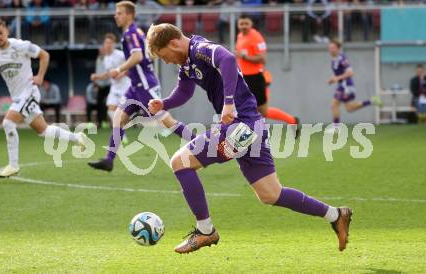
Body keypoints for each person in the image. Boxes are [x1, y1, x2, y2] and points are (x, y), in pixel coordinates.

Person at [146, 23, 353, 254]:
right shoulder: (187, 62)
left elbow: (228, 59)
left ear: (173, 43)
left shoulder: (199, 48)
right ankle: (335, 215)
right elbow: (183, 92)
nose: (166, 61)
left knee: (180, 162)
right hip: (250, 125)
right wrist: (164, 103)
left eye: (164, 56)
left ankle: (206, 230)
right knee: (270, 194)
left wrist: (228, 102)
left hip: (240, 124)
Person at [87, 1, 194, 172]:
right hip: (135, 85)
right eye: (116, 13)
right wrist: (128, 72)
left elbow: (137, 56)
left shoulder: (131, 33)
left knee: (166, 120)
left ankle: (198, 142)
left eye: (120, 13)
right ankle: (109, 160)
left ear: (129, 15)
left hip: (145, 86)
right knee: (118, 118)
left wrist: (119, 68)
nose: (116, 16)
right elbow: (144, 58)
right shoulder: (133, 33)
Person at [0, 18, 86, 178]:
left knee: (8, 122)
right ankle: (77, 138)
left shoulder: (20, 45)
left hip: (30, 92)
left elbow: (44, 55)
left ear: (6, 31)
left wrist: (40, 76)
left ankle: (13, 165)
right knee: (43, 131)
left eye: (0, 33)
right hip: (17, 97)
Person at [234, 14, 300, 137]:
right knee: (244, 108)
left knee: (262, 111)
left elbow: (262, 59)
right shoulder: (240, 36)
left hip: (256, 78)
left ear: (251, 24)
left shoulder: (256, 37)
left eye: (246, 23)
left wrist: (243, 56)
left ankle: (292, 121)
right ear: (238, 25)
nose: (243, 26)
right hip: (244, 78)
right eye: (241, 24)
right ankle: (246, 136)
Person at [326, 39, 382, 133]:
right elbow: (341, 73)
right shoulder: (333, 60)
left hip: (346, 85)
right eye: (329, 48)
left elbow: (350, 72)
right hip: (343, 85)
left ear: (338, 48)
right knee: (349, 108)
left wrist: (337, 78)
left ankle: (336, 127)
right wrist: (333, 79)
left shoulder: (342, 58)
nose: (331, 50)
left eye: (333, 48)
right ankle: (372, 101)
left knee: (334, 104)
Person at [90, 33, 131, 143]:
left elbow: (130, 65)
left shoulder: (120, 55)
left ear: (113, 44)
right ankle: (121, 133)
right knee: (110, 109)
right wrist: (97, 76)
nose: (107, 45)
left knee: (123, 112)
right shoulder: (106, 59)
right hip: (114, 88)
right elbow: (108, 74)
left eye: (110, 43)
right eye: (106, 43)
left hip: (125, 86)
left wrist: (121, 74)